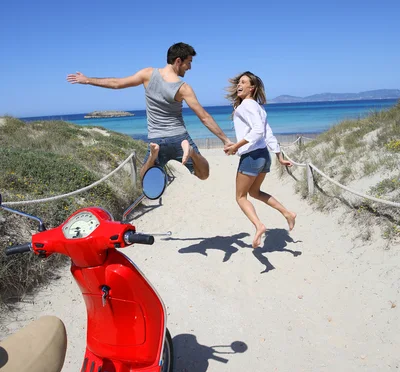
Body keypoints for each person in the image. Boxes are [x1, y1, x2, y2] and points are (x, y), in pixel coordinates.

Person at [67, 43, 233, 179]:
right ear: (177, 61)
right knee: (203, 174)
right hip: (179, 136)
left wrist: (88, 80)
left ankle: (153, 156)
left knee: (143, 178)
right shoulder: (183, 88)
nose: (189, 67)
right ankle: (191, 152)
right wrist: (225, 139)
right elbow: (204, 117)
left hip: (156, 139)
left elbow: (117, 83)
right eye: (188, 62)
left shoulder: (147, 74)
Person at [224, 71, 296, 248]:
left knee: (240, 197)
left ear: (252, 87)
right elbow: (268, 134)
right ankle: (287, 213)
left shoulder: (247, 105)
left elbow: (257, 132)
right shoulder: (258, 107)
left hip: (252, 156)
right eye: (238, 82)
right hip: (264, 156)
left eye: (243, 82)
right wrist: (279, 156)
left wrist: (236, 146)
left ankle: (259, 226)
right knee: (255, 192)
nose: (239, 85)